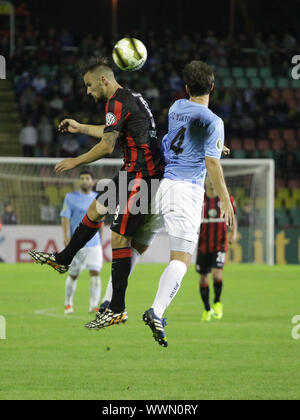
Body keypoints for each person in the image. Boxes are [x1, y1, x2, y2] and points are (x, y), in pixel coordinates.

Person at [29, 56, 165, 329]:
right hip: (132, 173)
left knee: (118, 237)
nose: (88, 91)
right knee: (95, 209)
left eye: (90, 86)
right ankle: (64, 259)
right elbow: (111, 131)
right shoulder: (127, 98)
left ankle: (117, 308)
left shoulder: (115, 102)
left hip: (144, 176)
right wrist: (80, 126)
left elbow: (106, 146)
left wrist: (75, 161)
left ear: (104, 80)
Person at [142, 60, 235, 347]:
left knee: (138, 241)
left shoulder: (176, 108)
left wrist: (215, 146)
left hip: (165, 185)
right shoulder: (214, 121)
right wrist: (224, 199)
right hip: (187, 191)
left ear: (186, 88)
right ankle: (156, 311)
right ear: (212, 87)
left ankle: (112, 297)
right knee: (181, 260)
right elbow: (211, 162)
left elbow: (172, 140)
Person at [61, 171, 104, 314]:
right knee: (74, 274)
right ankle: (68, 304)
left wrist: (101, 238)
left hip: (94, 242)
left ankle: (94, 305)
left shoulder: (98, 198)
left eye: (87, 178)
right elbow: (65, 217)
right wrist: (66, 236)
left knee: (95, 272)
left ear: (92, 181)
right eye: (82, 178)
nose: (84, 181)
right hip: (77, 242)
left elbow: (101, 220)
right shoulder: (70, 197)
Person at [196, 175, 237, 322]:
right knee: (203, 278)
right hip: (202, 246)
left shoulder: (225, 199)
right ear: (205, 181)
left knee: (217, 275)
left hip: (219, 244)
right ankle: (207, 309)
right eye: (209, 180)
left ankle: (217, 302)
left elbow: (233, 217)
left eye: (214, 180)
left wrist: (234, 232)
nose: (212, 183)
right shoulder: (199, 199)